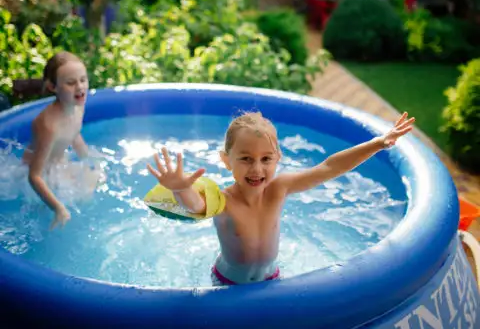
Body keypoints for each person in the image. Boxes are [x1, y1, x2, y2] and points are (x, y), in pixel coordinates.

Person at [147, 111, 415, 286]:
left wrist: (379, 142)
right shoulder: (224, 200)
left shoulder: (280, 188)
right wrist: (181, 188)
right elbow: (196, 205)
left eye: (266, 159)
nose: (257, 169)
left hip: (272, 279)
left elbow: (330, 168)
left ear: (278, 158)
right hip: (228, 285)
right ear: (226, 161)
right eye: (245, 159)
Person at [22, 51, 91, 230]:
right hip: (42, 175)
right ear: (53, 87)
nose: (80, 87)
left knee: (93, 182)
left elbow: (73, 132)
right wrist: (57, 208)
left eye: (83, 80)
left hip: (59, 163)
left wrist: (89, 159)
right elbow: (34, 176)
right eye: (70, 82)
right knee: (80, 199)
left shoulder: (78, 106)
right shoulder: (49, 125)